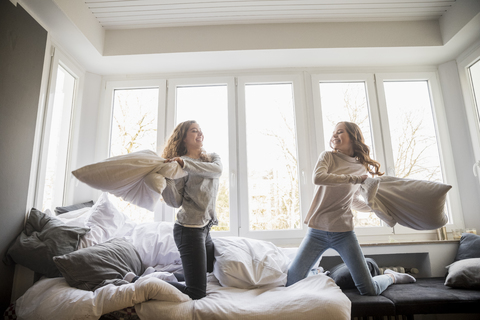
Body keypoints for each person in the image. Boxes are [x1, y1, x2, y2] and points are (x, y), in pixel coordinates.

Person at [286, 121, 415, 295]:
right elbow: (319, 178)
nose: (334, 135)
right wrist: (354, 179)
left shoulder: (361, 167)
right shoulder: (328, 157)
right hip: (316, 231)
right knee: (292, 282)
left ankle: (391, 276)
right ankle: (317, 273)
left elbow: (352, 200)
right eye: (334, 132)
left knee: (369, 290)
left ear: (353, 137)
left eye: (340, 132)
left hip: (343, 233)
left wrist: (375, 208)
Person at [160, 120, 222, 300]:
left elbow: (216, 170)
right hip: (188, 230)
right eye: (194, 131)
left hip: (205, 229)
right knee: (196, 292)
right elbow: (175, 202)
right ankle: (142, 281)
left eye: (201, 130)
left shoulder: (212, 159)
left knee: (209, 271)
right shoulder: (179, 165)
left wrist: (184, 164)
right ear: (183, 139)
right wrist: (165, 179)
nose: (200, 134)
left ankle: (162, 276)